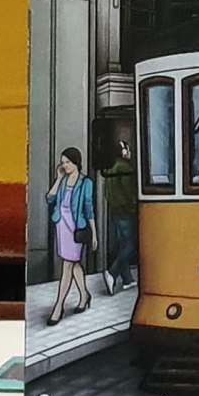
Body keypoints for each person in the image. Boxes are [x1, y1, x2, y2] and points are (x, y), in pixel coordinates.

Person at [46, 147, 97, 325]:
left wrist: (94, 233)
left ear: (76, 162)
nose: (64, 165)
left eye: (68, 162)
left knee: (68, 265)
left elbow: (89, 208)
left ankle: (58, 306)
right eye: (63, 162)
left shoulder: (86, 182)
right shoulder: (63, 179)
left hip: (76, 228)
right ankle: (84, 295)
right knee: (73, 264)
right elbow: (50, 198)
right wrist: (58, 179)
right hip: (61, 225)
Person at [101, 139, 137, 296]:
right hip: (126, 211)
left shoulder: (110, 168)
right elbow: (129, 192)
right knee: (131, 245)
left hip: (115, 211)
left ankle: (127, 279)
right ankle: (112, 272)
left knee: (123, 244)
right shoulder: (125, 167)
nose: (129, 151)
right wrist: (134, 207)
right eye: (126, 149)